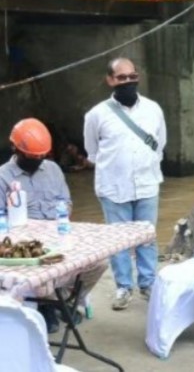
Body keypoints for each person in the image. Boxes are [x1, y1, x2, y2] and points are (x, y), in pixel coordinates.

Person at [0, 118, 108, 333]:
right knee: (43, 277)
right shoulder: (2, 176)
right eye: (31, 157)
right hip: (26, 246)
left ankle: (63, 302)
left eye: (41, 156)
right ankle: (47, 305)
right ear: (15, 148)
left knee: (100, 262)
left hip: (58, 235)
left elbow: (65, 201)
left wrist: (63, 215)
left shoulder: (53, 170)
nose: (37, 161)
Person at [83, 57, 167, 311]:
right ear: (110, 80)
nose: (128, 82)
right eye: (121, 78)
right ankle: (123, 287)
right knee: (118, 240)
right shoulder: (96, 115)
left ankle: (148, 283)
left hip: (146, 184)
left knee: (146, 238)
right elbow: (92, 152)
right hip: (113, 187)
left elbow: (160, 144)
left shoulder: (153, 109)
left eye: (132, 76)